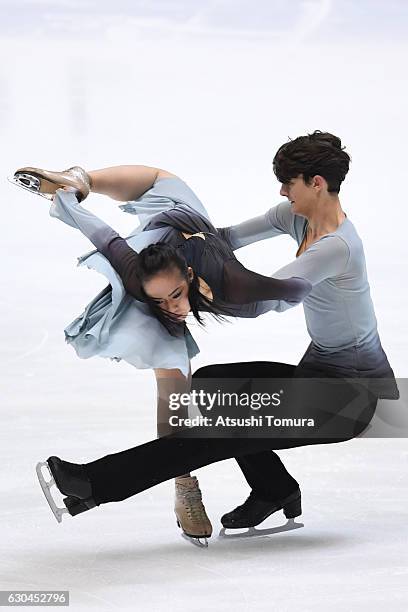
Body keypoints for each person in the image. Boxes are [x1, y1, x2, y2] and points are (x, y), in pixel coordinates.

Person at [17, 130, 400, 541]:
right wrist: (172, 252)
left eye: (289, 182)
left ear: (316, 183)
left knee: (220, 431)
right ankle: (275, 489)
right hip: (321, 374)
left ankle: (93, 484)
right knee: (211, 386)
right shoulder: (296, 218)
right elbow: (224, 239)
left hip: (352, 396)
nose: (282, 190)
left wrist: (191, 290)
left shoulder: (336, 247)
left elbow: (267, 299)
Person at [12, 160, 311, 545]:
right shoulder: (140, 278)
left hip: (190, 230)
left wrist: (320, 256)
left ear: (188, 278)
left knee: (215, 387)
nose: (174, 308)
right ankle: (186, 485)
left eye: (175, 297)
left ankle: (274, 486)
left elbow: (289, 291)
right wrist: (68, 197)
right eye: (163, 301)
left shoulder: (232, 287)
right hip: (158, 247)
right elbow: (98, 232)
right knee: (173, 368)